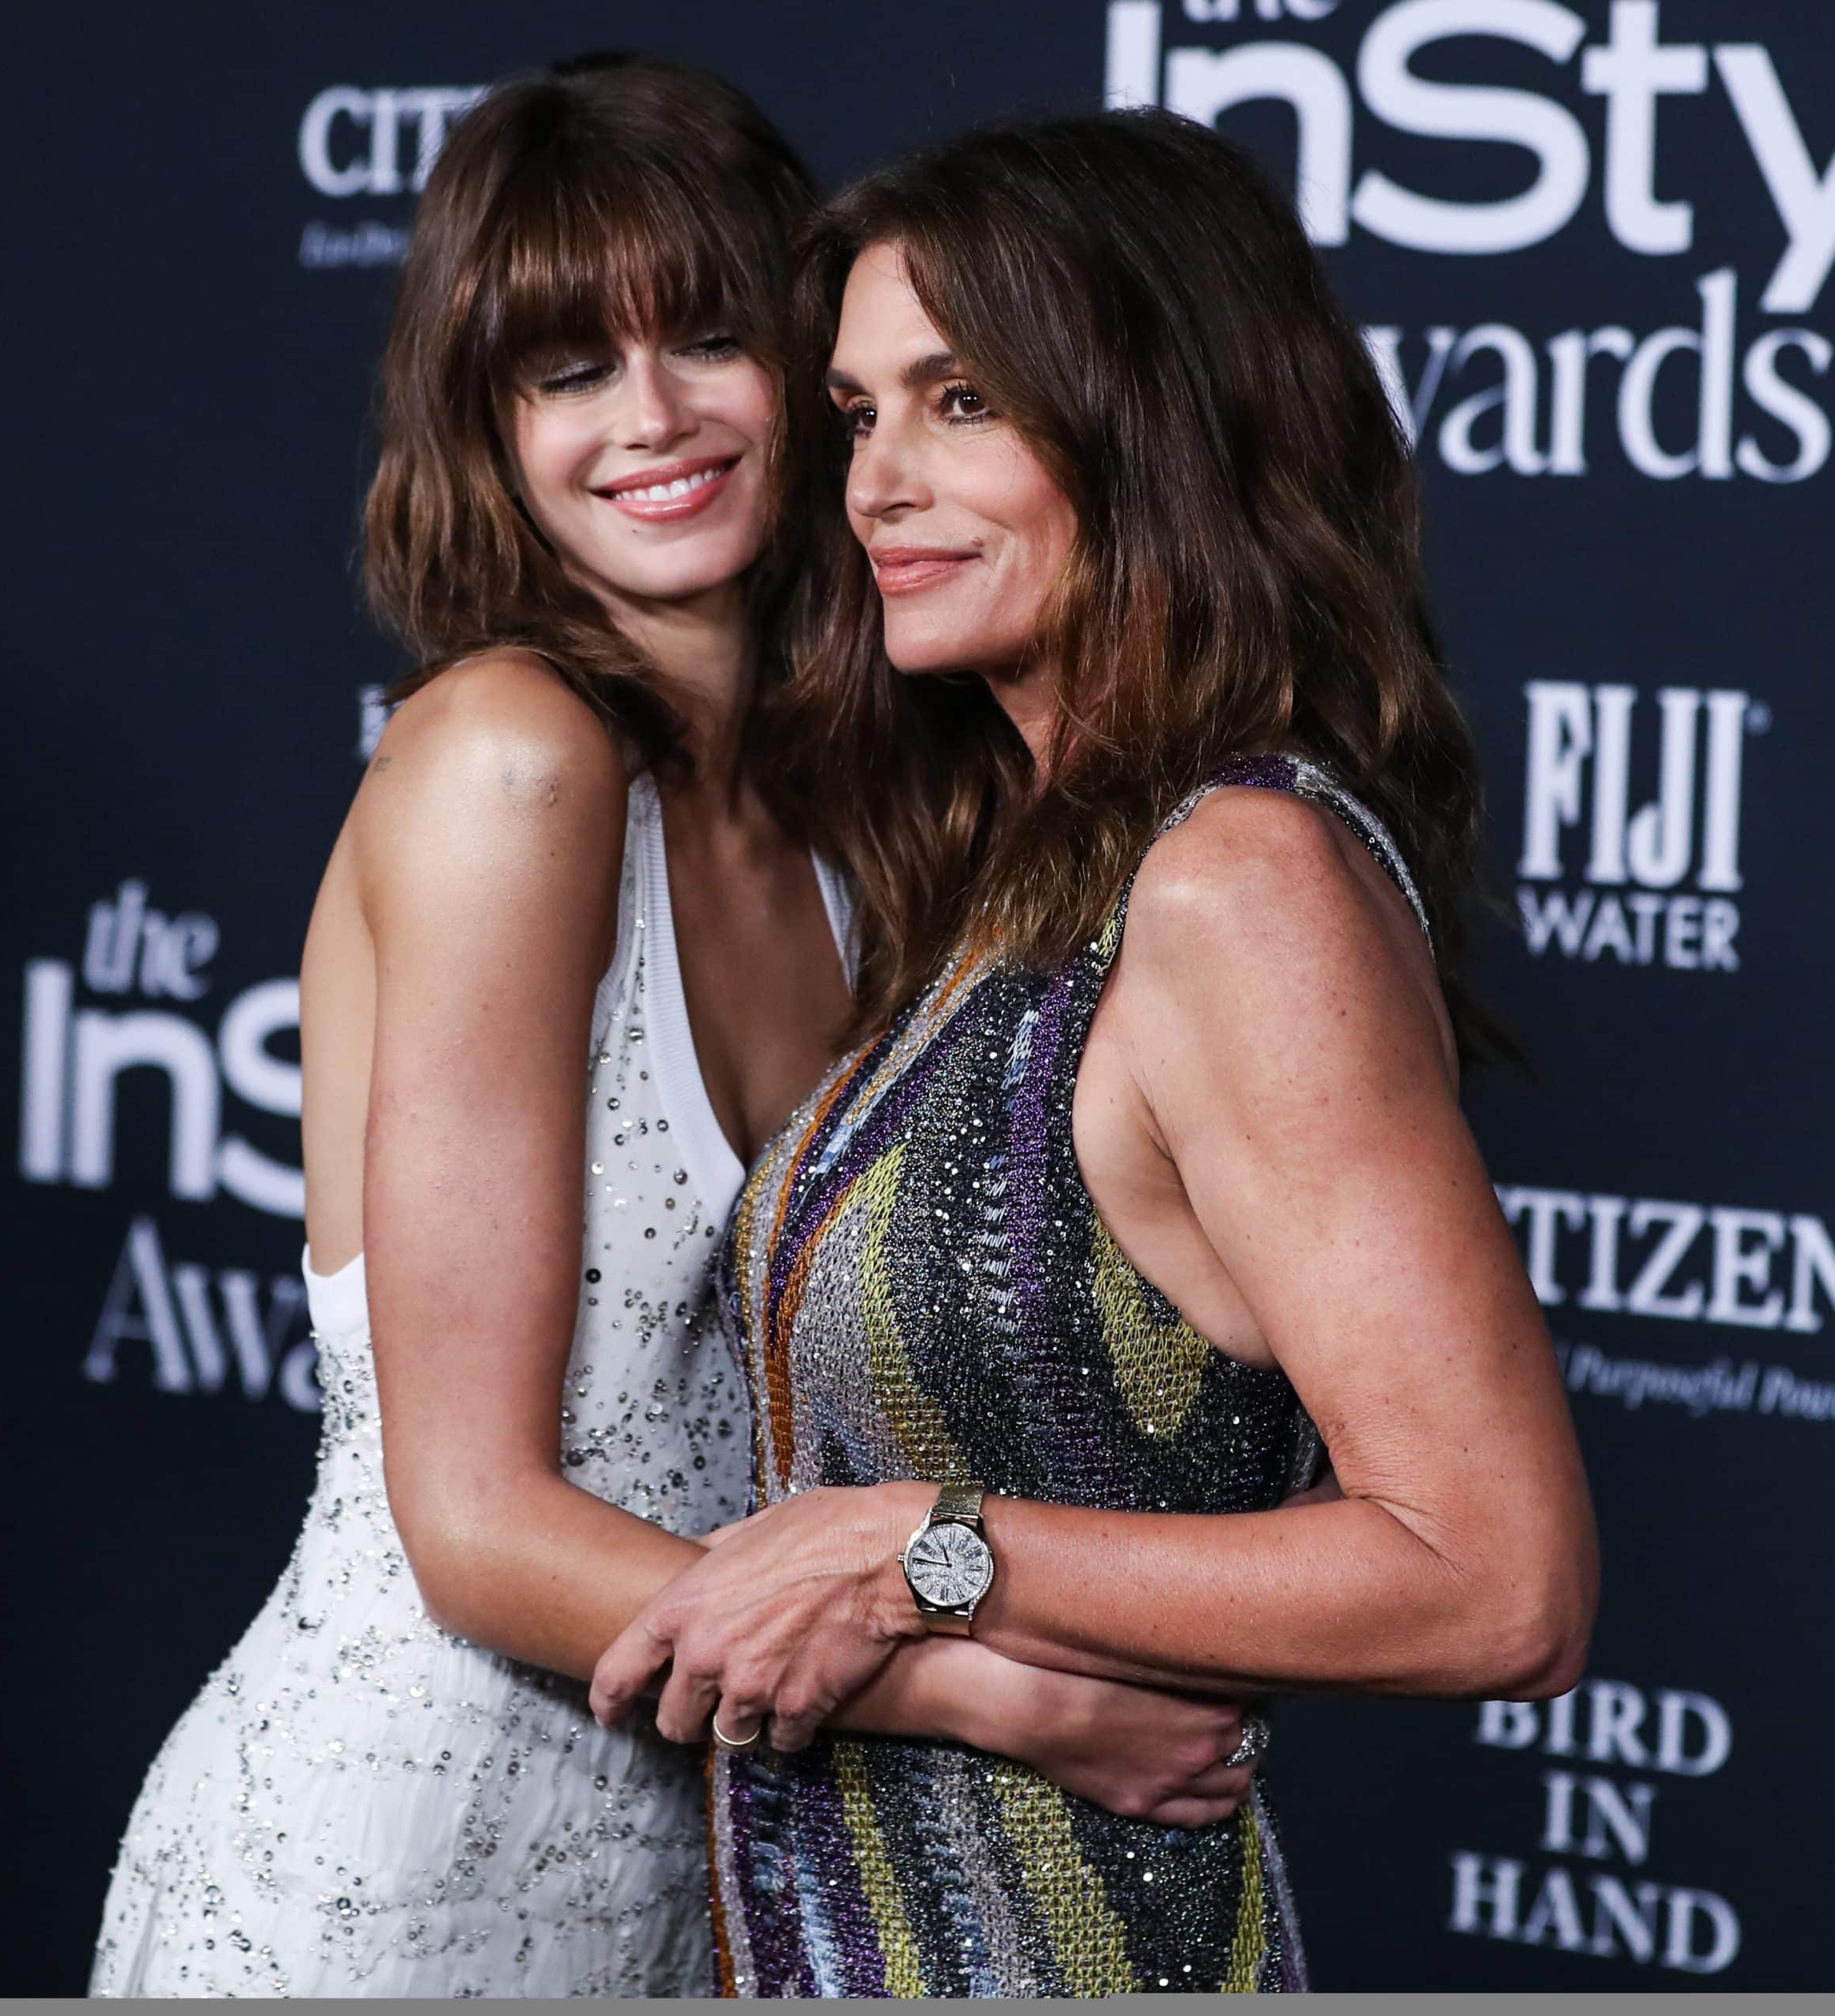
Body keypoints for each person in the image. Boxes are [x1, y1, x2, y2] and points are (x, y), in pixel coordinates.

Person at [91, 66, 1269, 1999]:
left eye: (707, 338)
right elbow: (474, 1525)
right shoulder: (505, 758)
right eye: (566, 368)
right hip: (392, 1875)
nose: (649, 419)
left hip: (723, 1859)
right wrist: (1010, 1698)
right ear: (486, 427)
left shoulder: (862, 816)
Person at [590, 109, 1600, 1996]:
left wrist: (923, 1553)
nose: (874, 479)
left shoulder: (1239, 880)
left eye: (959, 399)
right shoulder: (1023, 868)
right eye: (857, 412)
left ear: (1151, 418)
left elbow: (1497, 1576)